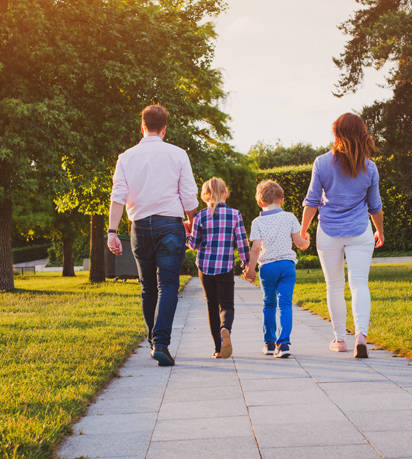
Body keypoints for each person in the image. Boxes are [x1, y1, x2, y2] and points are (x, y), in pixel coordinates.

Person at [107, 104, 198, 367]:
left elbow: (118, 198)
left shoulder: (126, 157)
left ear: (142, 126)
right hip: (170, 224)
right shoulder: (178, 154)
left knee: (148, 286)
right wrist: (192, 224)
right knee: (167, 285)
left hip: (139, 226)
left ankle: (152, 340)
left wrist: (112, 232)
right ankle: (161, 343)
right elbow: (189, 196)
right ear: (165, 128)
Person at [300, 112, 384, 359]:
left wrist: (304, 230)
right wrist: (379, 230)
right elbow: (375, 206)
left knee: (334, 286)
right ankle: (361, 336)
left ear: (336, 133)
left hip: (328, 232)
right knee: (359, 284)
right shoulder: (370, 167)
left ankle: (339, 339)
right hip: (360, 231)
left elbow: (312, 201)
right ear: (362, 133)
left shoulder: (322, 163)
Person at [245, 180, 310, 358]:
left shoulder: (257, 222)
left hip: (267, 268)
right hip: (287, 266)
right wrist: (307, 242)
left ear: (260, 202)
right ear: (282, 199)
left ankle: (269, 343)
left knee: (269, 304)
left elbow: (256, 248)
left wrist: (251, 270)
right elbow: (299, 242)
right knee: (285, 304)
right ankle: (284, 343)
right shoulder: (289, 217)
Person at [187, 177, 250, 359]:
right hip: (225, 266)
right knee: (227, 305)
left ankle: (217, 348)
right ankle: (225, 328)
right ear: (225, 193)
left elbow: (194, 244)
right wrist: (247, 264)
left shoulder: (200, 216)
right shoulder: (235, 214)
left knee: (211, 305)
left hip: (205, 267)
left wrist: (186, 233)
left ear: (205, 196)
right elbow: (242, 243)